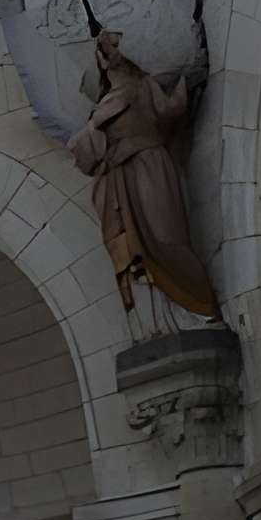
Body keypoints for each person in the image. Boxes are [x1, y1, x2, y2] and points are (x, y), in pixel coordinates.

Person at [65, 30, 217, 319]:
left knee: (165, 231)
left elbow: (171, 109)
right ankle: (167, 311)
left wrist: (186, 76)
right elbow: (85, 154)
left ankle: (197, 300)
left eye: (116, 45)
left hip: (149, 166)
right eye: (107, 48)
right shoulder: (101, 107)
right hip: (118, 179)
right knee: (132, 245)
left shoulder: (146, 85)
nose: (113, 51)